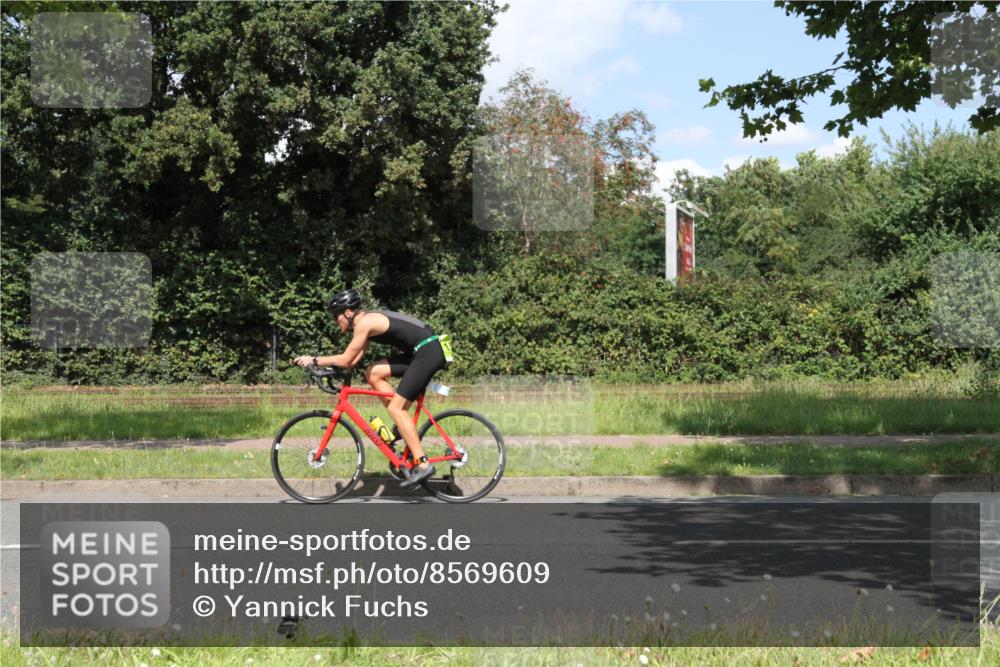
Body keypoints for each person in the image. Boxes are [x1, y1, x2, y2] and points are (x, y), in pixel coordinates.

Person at [293, 288, 447, 488]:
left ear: (348, 312)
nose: (335, 321)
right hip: (422, 351)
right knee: (372, 373)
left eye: (336, 316)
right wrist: (330, 368)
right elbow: (352, 361)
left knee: (395, 409)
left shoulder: (365, 323)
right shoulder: (365, 324)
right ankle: (401, 423)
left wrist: (314, 359)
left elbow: (346, 358)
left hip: (427, 352)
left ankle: (423, 464)